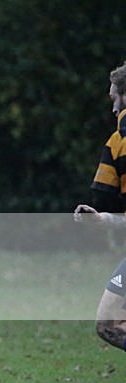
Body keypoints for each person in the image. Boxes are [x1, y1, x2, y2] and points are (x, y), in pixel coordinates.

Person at [74, 60, 126, 351]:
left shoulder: (119, 142)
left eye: (114, 99)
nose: (113, 109)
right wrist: (104, 219)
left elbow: (104, 194)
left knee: (109, 324)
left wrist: (104, 217)